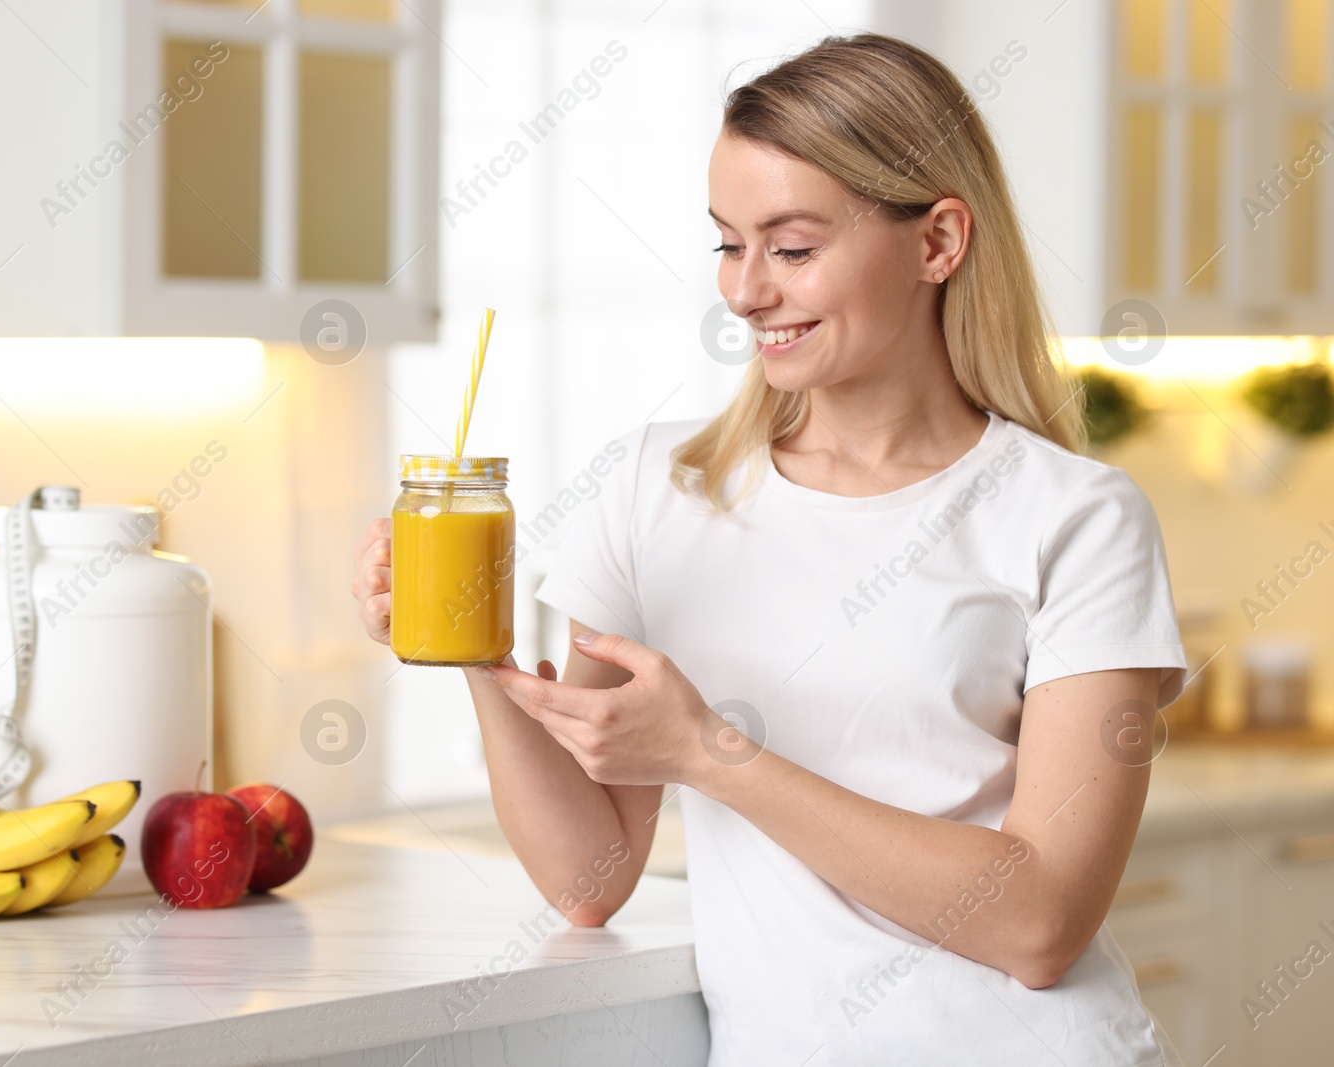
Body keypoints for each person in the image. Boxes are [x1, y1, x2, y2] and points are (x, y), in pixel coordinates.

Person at [353, 32, 1189, 1067]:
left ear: (937, 242)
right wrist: (474, 647)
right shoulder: (653, 488)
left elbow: (1041, 922)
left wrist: (714, 754)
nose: (745, 291)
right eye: (725, 243)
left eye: (790, 248)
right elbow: (590, 876)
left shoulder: (1075, 517)